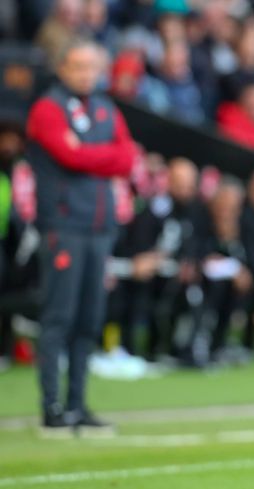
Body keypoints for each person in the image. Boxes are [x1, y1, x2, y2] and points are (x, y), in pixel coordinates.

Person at [26, 37, 136, 430]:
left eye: (92, 67)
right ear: (62, 69)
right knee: (59, 317)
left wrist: (88, 153)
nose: (87, 74)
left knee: (89, 320)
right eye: (79, 66)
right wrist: (103, 156)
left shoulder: (105, 107)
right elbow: (67, 154)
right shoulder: (47, 108)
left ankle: (77, 404)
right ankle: (51, 407)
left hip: (99, 228)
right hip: (64, 226)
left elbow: (127, 158)